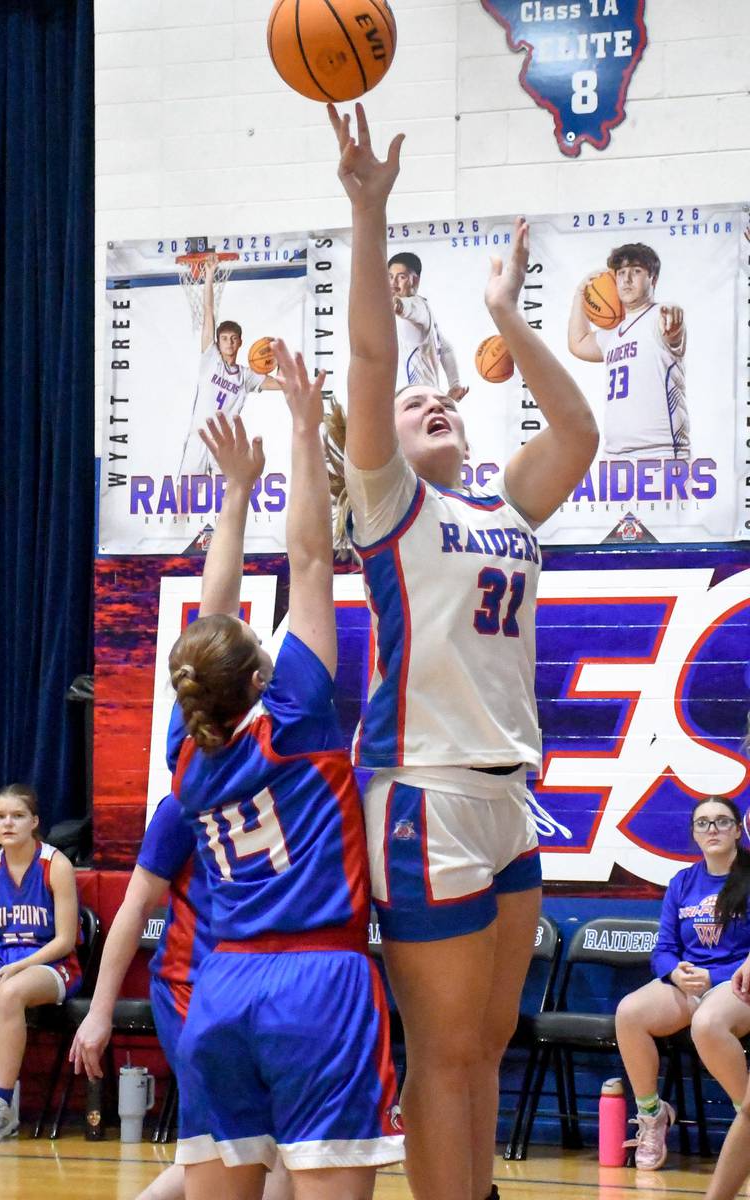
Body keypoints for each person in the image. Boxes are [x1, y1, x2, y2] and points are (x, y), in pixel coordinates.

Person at [325, 103, 598, 1200]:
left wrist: (505, 315)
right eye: (413, 402)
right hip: (423, 793)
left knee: (484, 1049)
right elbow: (370, 353)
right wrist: (369, 211)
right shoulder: (388, 506)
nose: (430, 399)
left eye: (443, 397)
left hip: (506, 797)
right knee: (441, 1058)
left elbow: (577, 433)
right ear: (381, 443)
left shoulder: (505, 506)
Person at [167, 338, 403, 1200]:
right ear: (261, 677)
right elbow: (309, 560)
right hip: (318, 982)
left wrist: (234, 493)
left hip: (221, 985)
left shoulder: (186, 748)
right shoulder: (296, 719)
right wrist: (305, 430)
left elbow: (211, 614)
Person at [70, 790, 292, 1200]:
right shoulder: (182, 806)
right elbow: (135, 906)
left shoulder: (292, 796)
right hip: (189, 990)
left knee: (274, 1141)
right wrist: (100, 1011)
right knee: (240, 1144)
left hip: (260, 992)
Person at [615, 796, 750, 1172]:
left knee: (707, 1024)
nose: (713, 829)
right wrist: (675, 973)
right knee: (629, 1013)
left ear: (737, 831)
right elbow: (663, 950)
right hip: (689, 984)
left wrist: (716, 977)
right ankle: (652, 1115)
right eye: (703, 823)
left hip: (738, 983)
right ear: (694, 833)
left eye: (722, 821)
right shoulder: (683, 882)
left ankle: (747, 1119)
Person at [0, 783, 81, 1144]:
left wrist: (20, 968)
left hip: (53, 965)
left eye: (18, 816)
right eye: (0, 816)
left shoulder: (56, 865)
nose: (8, 823)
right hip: (4, 961)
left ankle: (1, 1108)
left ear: (34, 821)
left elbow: (65, 940)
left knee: (9, 992)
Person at [568, 242, 689, 459]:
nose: (627, 279)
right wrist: (580, 294)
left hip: (661, 453)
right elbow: (578, 343)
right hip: (616, 454)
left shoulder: (659, 317)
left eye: (636, 271)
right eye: (621, 273)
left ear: (653, 279)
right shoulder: (612, 333)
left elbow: (672, 330)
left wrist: (674, 326)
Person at [177, 254, 282, 479]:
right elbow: (208, 312)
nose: (229, 343)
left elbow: (282, 384)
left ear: (240, 342)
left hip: (223, 446)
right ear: (217, 342)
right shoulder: (211, 359)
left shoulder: (246, 376)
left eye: (233, 339)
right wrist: (209, 275)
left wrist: (280, 358)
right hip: (199, 438)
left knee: (226, 499)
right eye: (224, 338)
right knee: (184, 498)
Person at [388, 250, 468, 400]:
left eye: (401, 277)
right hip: (427, 399)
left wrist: (398, 305)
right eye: (390, 277)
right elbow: (446, 349)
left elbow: (408, 307)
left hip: (416, 401)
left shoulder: (416, 306)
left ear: (415, 281)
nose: (393, 283)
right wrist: (455, 384)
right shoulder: (425, 307)